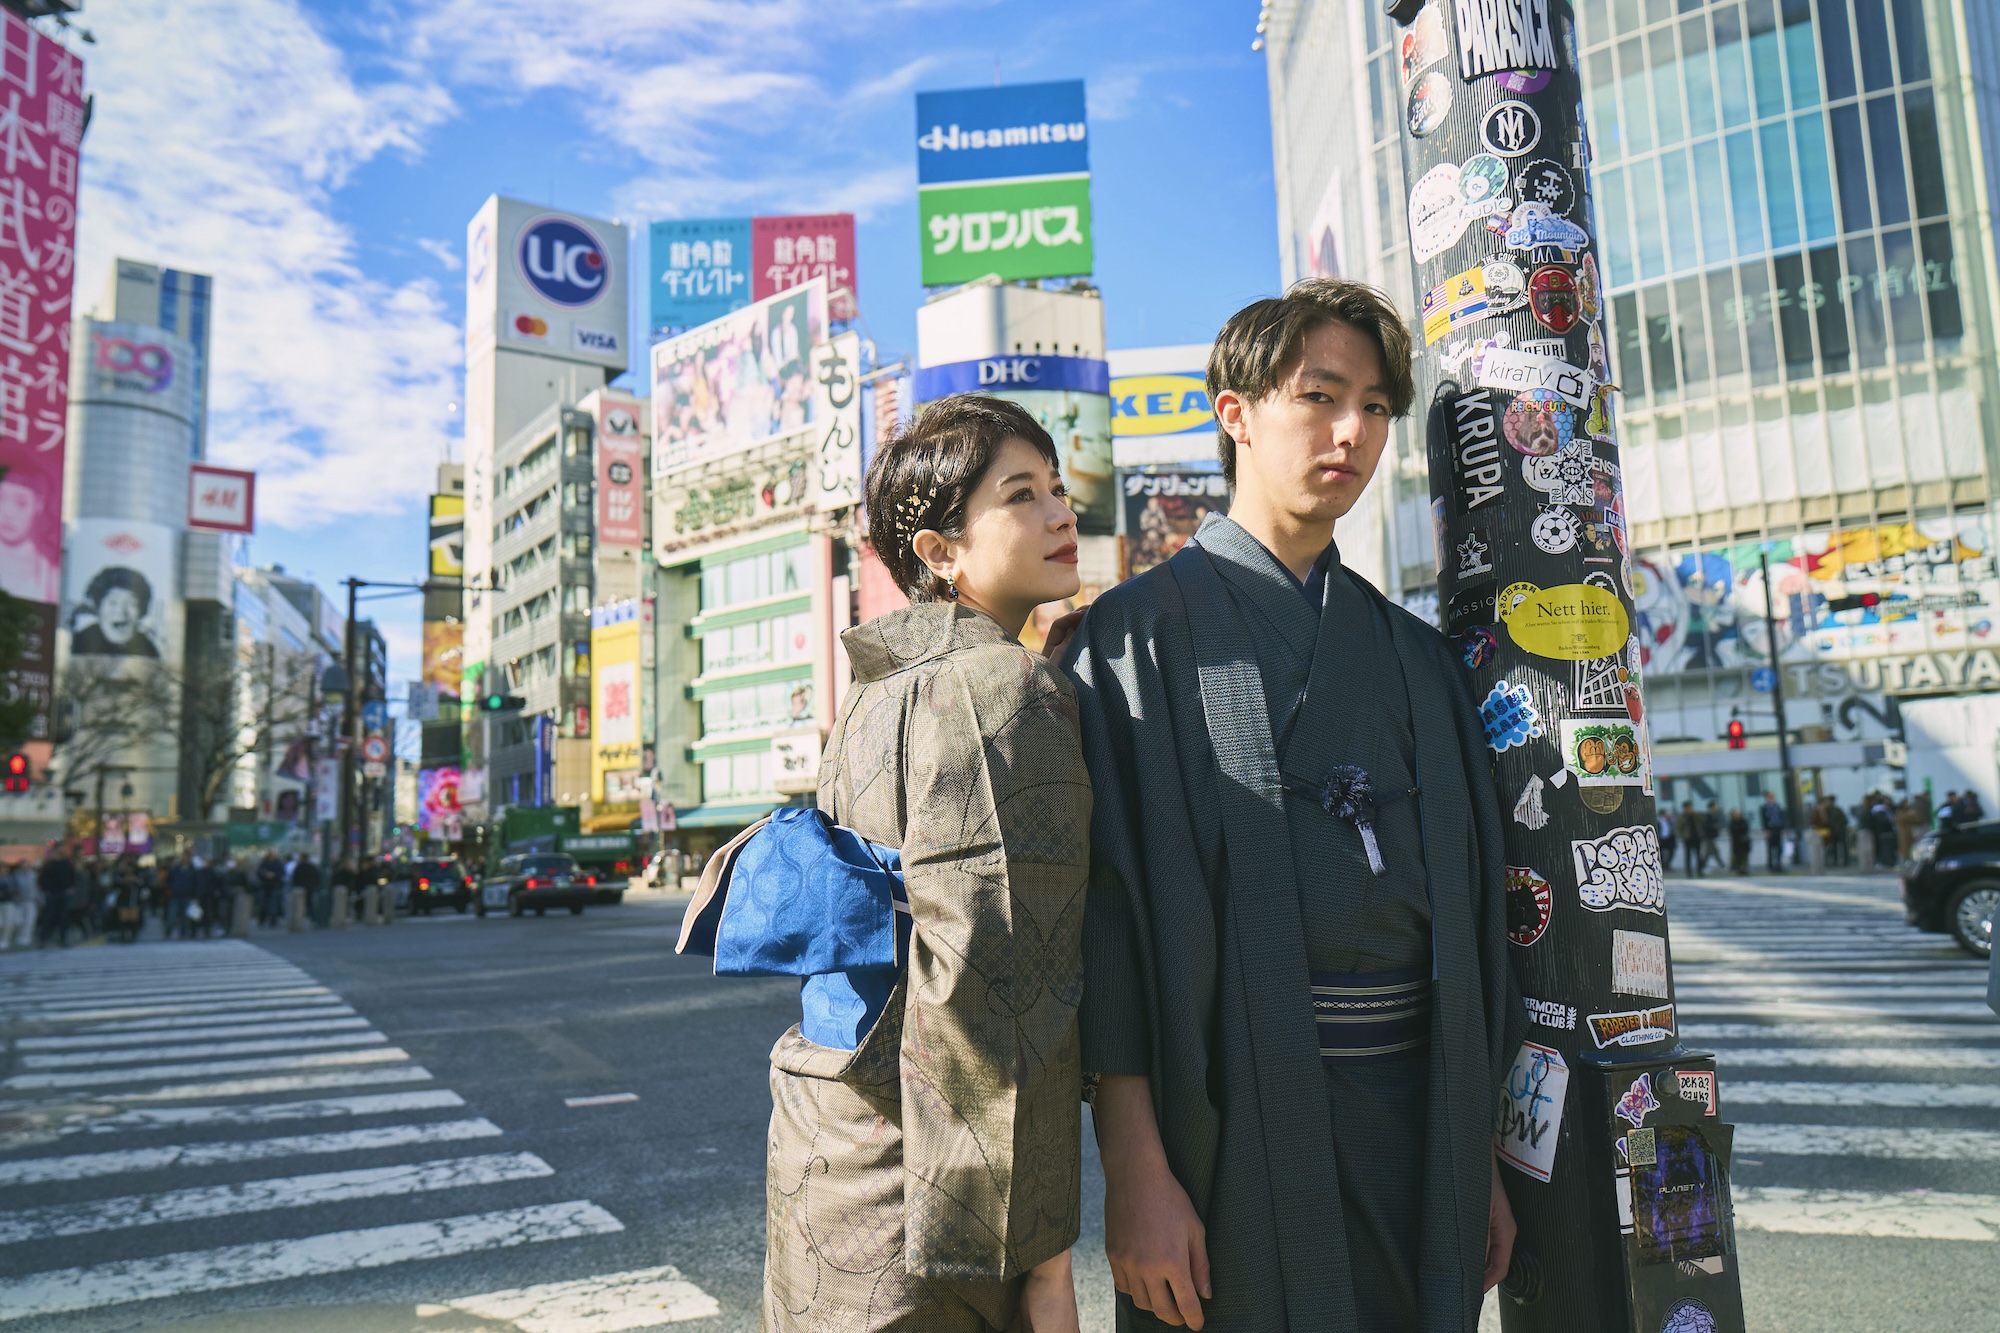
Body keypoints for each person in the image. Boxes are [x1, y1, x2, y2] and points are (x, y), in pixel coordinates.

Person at [1065, 279, 1523, 1329]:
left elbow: (1469, 921)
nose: (1351, 431)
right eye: (1318, 396)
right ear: (1233, 412)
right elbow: (1109, 926)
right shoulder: (1132, 641)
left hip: (1421, 1116)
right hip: (1233, 1117)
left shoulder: (1413, 658)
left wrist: (1479, 1158)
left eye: (1372, 406)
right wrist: (1134, 1169)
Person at [761, 395, 1090, 1331]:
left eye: (1058, 487)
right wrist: (1042, 1255)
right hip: (931, 1208)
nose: (1061, 513)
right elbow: (993, 984)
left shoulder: (874, 692)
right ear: (940, 552)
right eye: (1020, 495)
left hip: (830, 1147)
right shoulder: (1001, 685)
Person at [69, 566, 161, 657]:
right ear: (98, 607)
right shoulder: (79, 642)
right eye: (113, 603)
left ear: (141, 610)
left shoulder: (149, 649)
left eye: (130, 604)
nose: (121, 611)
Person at [36, 842, 76, 947]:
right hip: (52, 892)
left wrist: (71, 887)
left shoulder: (67, 862)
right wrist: (45, 890)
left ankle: (63, 938)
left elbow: (72, 876)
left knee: (63, 916)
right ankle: (44, 938)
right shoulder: (49, 863)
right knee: (48, 915)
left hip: (63, 892)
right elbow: (42, 878)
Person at [255, 850, 286, 927]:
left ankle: (273, 920)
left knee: (273, 904)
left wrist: (274, 875)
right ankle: (262, 919)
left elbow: (281, 873)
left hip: (274, 886)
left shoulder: (277, 864)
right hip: (265, 886)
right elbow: (259, 872)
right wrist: (265, 874)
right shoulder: (264, 863)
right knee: (263, 904)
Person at [1760, 790, 1786, 873]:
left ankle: (1778, 864)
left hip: (1777, 828)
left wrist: (1783, 828)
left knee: (1779, 847)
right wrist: (1765, 830)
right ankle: (1771, 866)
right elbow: (1764, 819)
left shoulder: (1777, 806)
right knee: (1770, 848)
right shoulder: (1764, 807)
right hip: (1770, 829)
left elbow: (1781, 817)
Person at [1679, 800, 1703, 877]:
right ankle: (1688, 872)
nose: (1689, 809)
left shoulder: (1696, 815)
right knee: (1688, 856)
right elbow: (1679, 828)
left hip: (1697, 837)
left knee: (1698, 855)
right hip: (1688, 839)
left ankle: (1699, 871)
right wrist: (1682, 837)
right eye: (1688, 808)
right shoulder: (1682, 817)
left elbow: (1703, 821)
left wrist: (1694, 814)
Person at [1824, 797, 1849, 867]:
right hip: (1832, 832)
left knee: (1842, 846)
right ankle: (1836, 860)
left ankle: (1845, 860)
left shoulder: (1837, 810)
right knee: (1834, 847)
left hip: (1838, 831)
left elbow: (1844, 820)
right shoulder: (1826, 811)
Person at [1728, 808, 1752, 874]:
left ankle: (1744, 867)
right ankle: (1738, 867)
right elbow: (1733, 831)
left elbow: (1745, 829)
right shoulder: (1732, 822)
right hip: (1736, 842)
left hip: (1744, 842)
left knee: (1744, 855)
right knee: (1737, 856)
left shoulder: (1743, 821)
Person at [1657, 806, 1677, 873]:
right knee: (1661, 853)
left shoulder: (1668, 820)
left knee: (1671, 852)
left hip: (1669, 838)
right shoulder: (1658, 821)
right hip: (1662, 839)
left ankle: (1667, 865)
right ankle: (1663, 865)